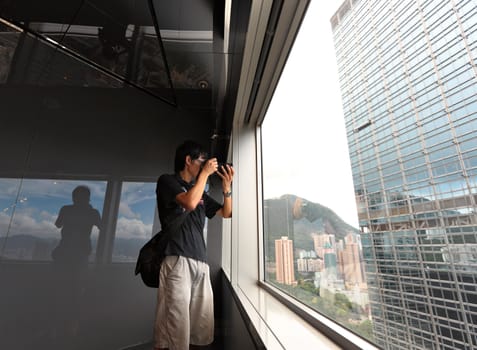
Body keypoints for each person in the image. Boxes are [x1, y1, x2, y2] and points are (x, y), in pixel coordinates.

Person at [154, 140, 234, 350]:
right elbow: (189, 202)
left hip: (201, 262)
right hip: (177, 259)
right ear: (188, 160)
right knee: (175, 328)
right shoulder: (167, 181)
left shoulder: (200, 192)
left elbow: (227, 213)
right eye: (202, 160)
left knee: (200, 328)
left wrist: (226, 189)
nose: (206, 165)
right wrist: (205, 175)